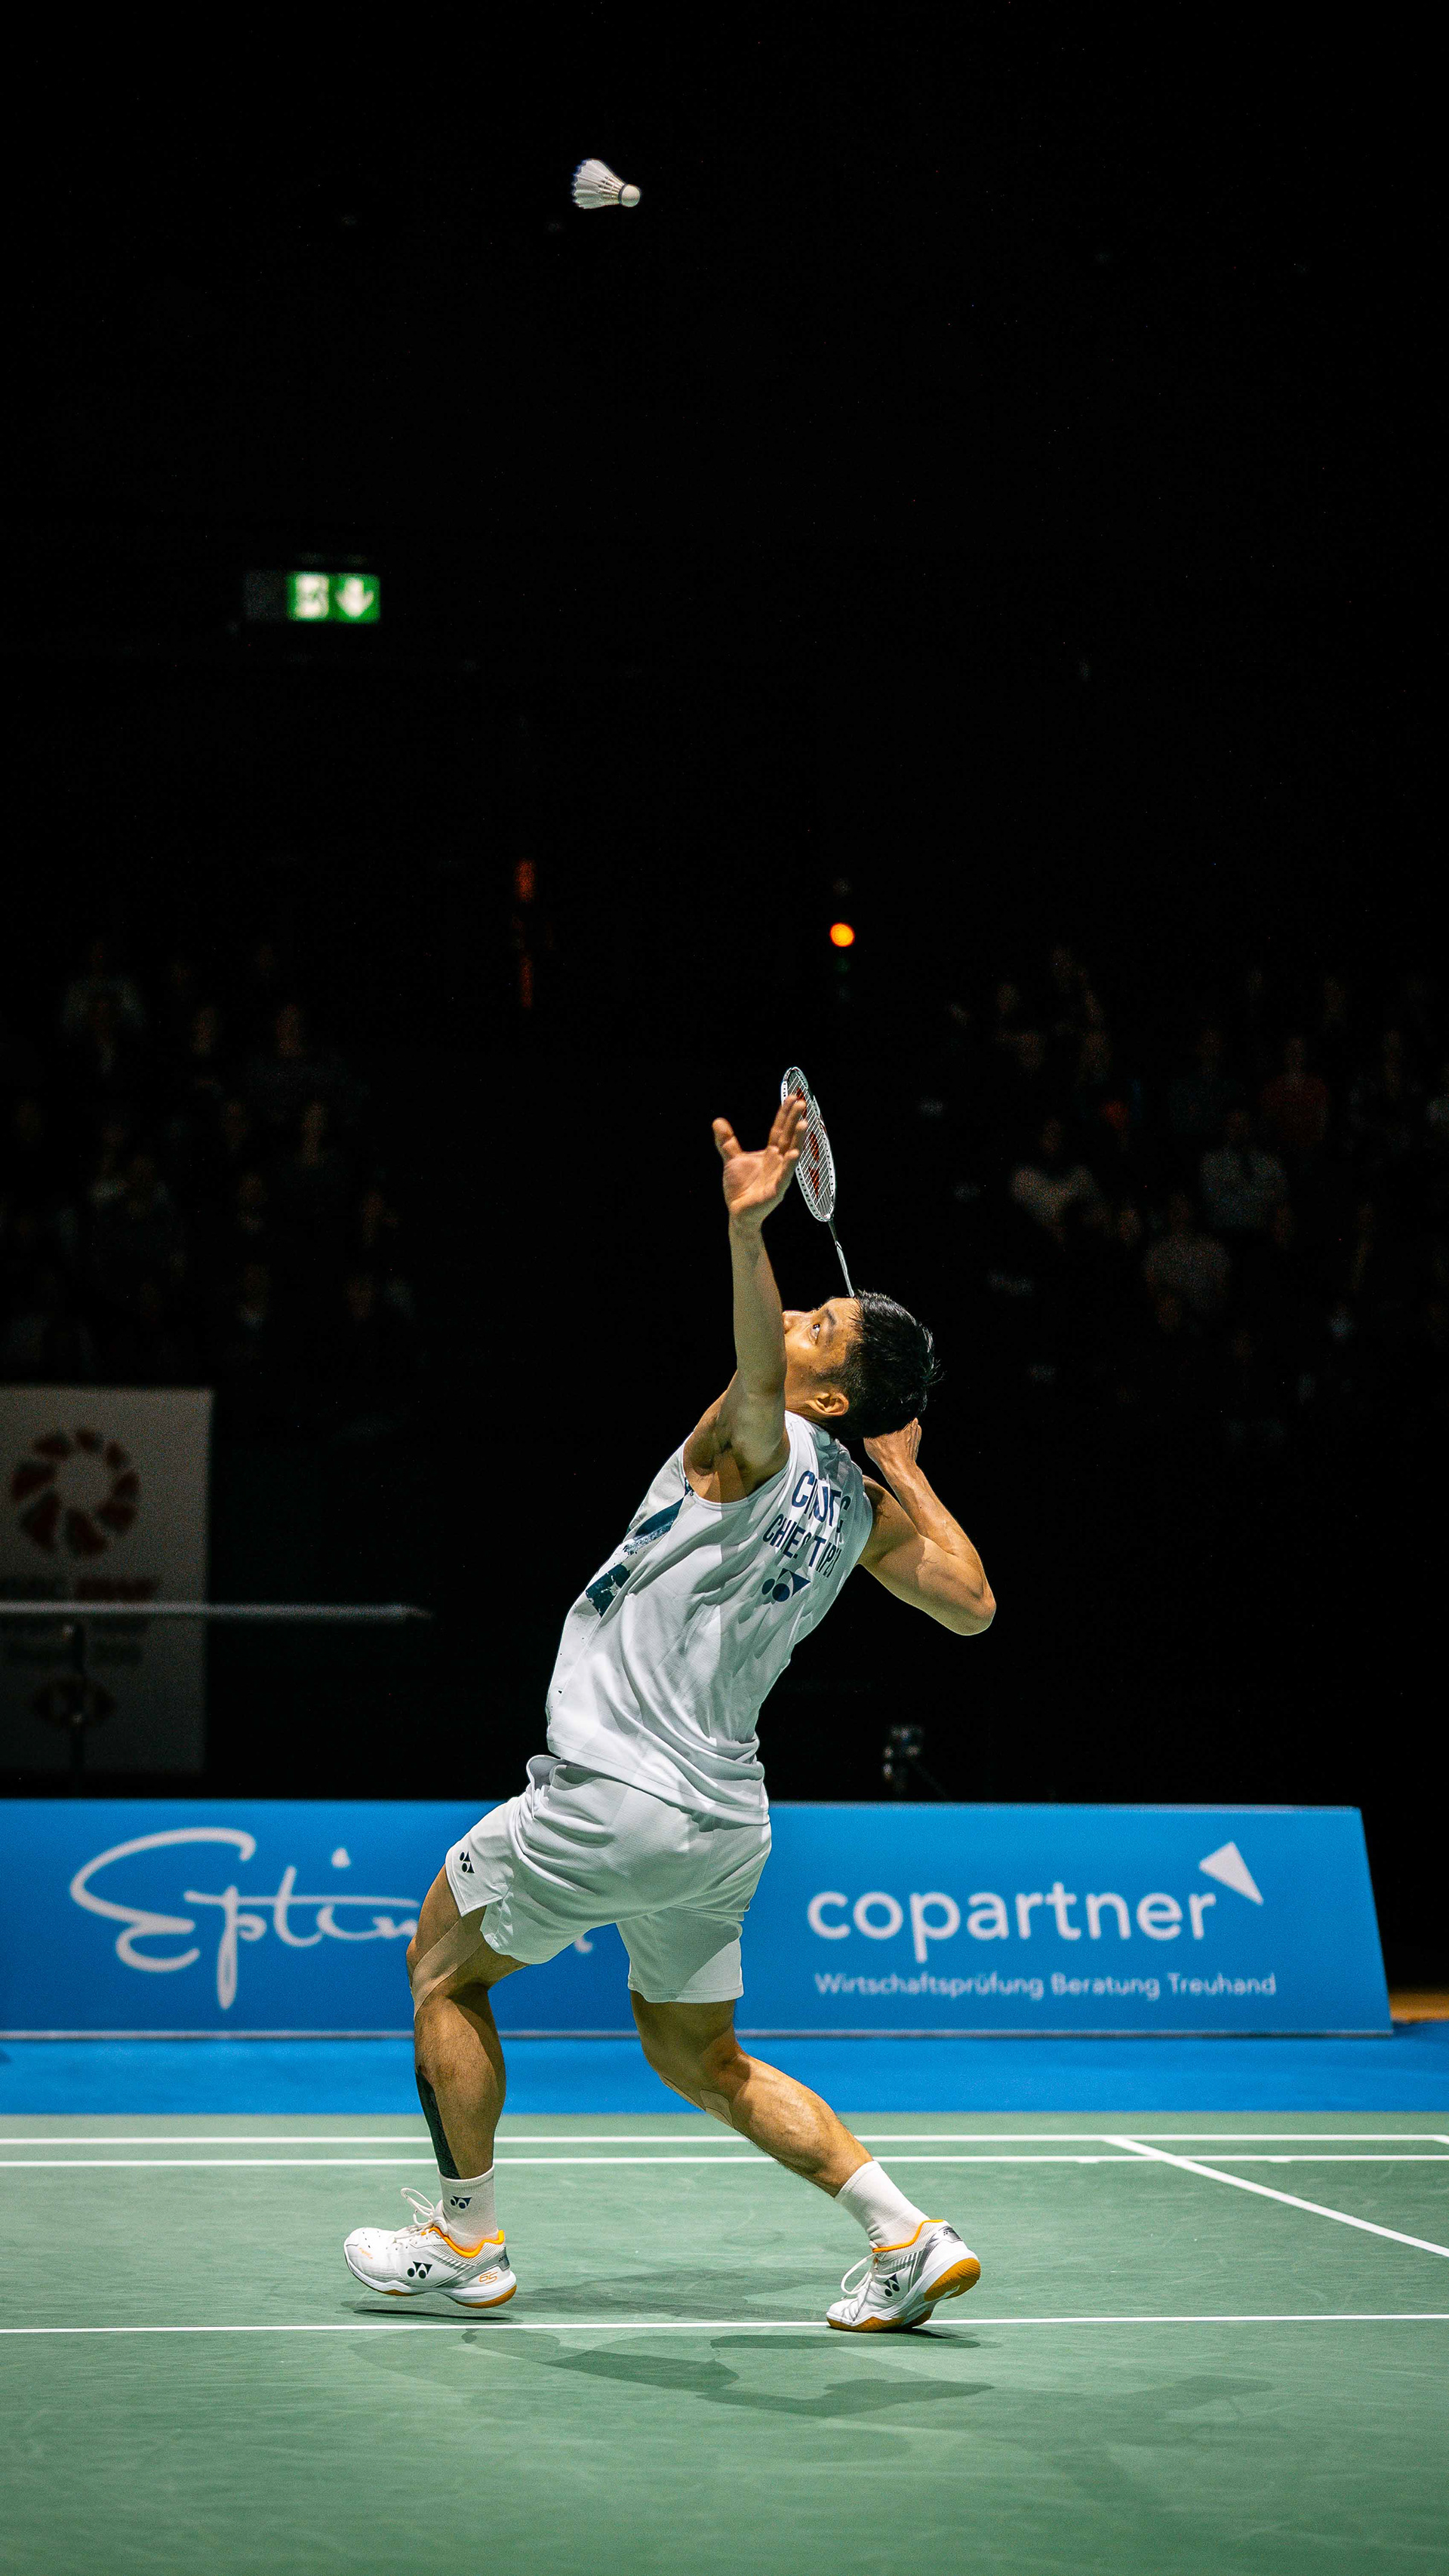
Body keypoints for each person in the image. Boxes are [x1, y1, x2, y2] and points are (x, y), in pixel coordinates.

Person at [343, 1090, 995, 2333]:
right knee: (701, 2054)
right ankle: (904, 2233)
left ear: (830, 1397)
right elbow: (972, 1603)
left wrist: (747, 1231)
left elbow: (759, 1366)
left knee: (440, 1967)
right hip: (723, 1824)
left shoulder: (751, 1442)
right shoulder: (859, 1512)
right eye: (807, 1308)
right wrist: (907, 1474)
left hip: (614, 1791)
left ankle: (466, 2240)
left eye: (821, 1326)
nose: (799, 1320)